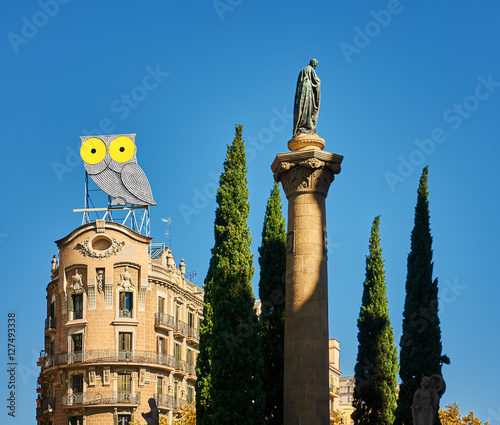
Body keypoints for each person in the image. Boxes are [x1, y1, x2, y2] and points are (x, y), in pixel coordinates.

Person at [293, 58, 321, 137]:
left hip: (301, 91)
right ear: (313, 63)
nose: (315, 66)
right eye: (315, 65)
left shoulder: (303, 70)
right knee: (308, 108)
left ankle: (301, 125)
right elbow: (316, 81)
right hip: (308, 90)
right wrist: (319, 81)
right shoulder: (310, 69)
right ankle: (307, 126)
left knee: (302, 109)